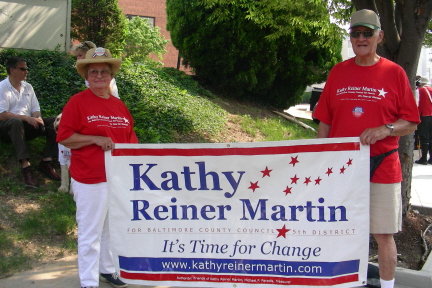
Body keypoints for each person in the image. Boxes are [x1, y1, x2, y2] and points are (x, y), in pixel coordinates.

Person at [313, 9, 420, 288]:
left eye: (367, 32)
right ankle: (345, 281)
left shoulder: (395, 73)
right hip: (343, 168)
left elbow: (410, 121)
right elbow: (324, 121)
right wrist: (321, 161)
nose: (361, 38)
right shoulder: (338, 72)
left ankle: (387, 285)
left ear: (379, 36)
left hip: (382, 164)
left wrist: (386, 129)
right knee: (341, 229)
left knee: (383, 234)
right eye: (355, 33)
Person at [57, 47, 137, 288]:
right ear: (86, 76)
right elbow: (64, 136)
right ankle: (89, 282)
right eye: (94, 72)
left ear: (111, 75)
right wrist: (93, 139)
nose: (99, 75)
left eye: (104, 71)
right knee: (90, 232)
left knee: (111, 228)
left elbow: (131, 138)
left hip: (116, 178)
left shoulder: (119, 106)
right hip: (90, 178)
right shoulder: (78, 102)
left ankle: (108, 269)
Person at [0, 56, 60, 187]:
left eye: (27, 68)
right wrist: (26, 118)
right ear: (12, 70)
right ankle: (26, 166)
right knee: (16, 122)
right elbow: (2, 115)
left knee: (56, 121)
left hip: (26, 125)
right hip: (7, 128)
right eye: (23, 69)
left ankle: (47, 160)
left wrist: (37, 118)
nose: (26, 71)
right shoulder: (2, 87)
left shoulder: (28, 87)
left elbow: (35, 109)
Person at [414, 76, 432, 165]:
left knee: (424, 138)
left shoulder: (419, 91)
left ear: (421, 83)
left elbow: (416, 104)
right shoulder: (431, 90)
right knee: (431, 138)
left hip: (423, 116)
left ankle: (423, 158)